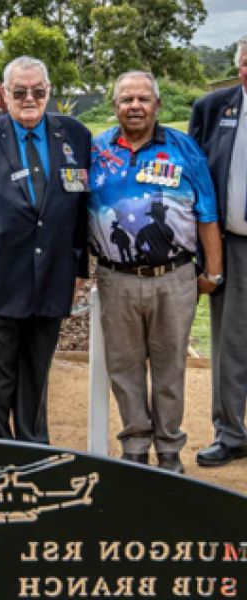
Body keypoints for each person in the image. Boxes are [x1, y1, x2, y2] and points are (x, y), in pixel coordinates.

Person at [89, 71, 223, 474]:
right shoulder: (95, 150)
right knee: (124, 367)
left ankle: (168, 451)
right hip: (116, 279)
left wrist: (212, 274)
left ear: (158, 105)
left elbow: (208, 214)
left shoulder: (185, 150)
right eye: (126, 99)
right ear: (115, 106)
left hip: (175, 277)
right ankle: (134, 446)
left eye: (143, 99)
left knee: (169, 368)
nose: (135, 106)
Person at [0, 56, 90, 444]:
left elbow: (81, 207)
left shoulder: (74, 136)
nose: (30, 98)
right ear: (5, 93)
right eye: (20, 91)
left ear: (48, 92)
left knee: (37, 370)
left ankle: (32, 449)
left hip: (54, 274)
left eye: (38, 91)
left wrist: (80, 266)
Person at [189, 36, 247, 467]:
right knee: (230, 344)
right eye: (246, 62)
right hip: (232, 245)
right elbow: (193, 181)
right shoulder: (212, 109)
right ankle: (230, 433)